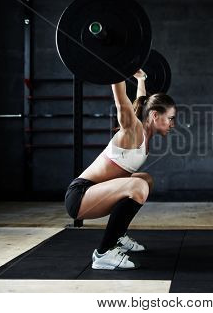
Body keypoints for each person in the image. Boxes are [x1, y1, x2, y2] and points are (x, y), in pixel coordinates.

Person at [65, 70, 176, 270]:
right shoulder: (132, 130)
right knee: (138, 186)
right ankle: (103, 253)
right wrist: (117, 67)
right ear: (154, 115)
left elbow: (140, 99)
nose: (172, 124)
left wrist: (141, 79)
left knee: (146, 180)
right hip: (80, 196)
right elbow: (121, 100)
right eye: (170, 118)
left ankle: (118, 236)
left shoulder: (143, 131)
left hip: (97, 194)